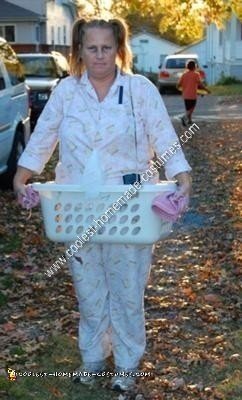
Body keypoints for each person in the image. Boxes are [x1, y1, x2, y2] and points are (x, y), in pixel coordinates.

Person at [13, 17, 192, 392]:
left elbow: (163, 133)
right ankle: (93, 356)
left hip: (128, 206)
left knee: (127, 289)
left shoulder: (139, 90)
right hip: (77, 206)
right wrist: (23, 175)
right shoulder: (66, 92)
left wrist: (182, 177)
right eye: (90, 48)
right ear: (78, 51)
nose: (98, 56)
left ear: (119, 49)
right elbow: (44, 135)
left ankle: (127, 365)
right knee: (88, 286)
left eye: (106, 48)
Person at [177, 59, 210, 126]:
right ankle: (184, 117)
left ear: (187, 66)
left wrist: (181, 88)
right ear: (194, 67)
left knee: (188, 108)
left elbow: (179, 84)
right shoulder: (196, 75)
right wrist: (206, 90)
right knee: (191, 109)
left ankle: (189, 120)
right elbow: (200, 85)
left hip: (185, 95)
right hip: (192, 95)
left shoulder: (184, 74)